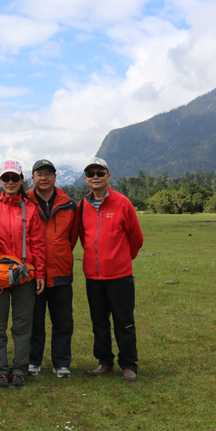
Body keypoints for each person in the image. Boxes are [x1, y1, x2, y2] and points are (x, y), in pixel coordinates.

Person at [0, 160, 47, 388]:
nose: (10, 182)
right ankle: (0, 370)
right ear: (0, 181)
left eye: (14, 178)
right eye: (6, 178)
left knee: (22, 325)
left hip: (24, 276)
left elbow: (37, 244)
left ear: (21, 180)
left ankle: (19, 370)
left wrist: (41, 273)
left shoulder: (31, 209)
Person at [76, 157, 143, 382]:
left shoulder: (123, 203)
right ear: (86, 179)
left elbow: (136, 239)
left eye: (100, 172)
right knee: (99, 322)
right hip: (93, 277)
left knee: (124, 321)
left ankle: (128, 364)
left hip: (120, 276)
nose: (95, 176)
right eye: (91, 173)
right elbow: (84, 239)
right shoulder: (82, 205)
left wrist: (121, 259)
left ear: (108, 176)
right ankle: (104, 361)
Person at [26, 159, 78, 378]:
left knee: (63, 322)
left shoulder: (69, 204)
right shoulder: (24, 202)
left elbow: (72, 238)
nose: (44, 177)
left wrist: (60, 253)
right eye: (39, 173)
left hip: (61, 272)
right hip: (32, 273)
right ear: (33, 178)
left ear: (56, 177)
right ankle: (33, 361)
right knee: (33, 321)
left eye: (48, 173)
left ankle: (61, 363)